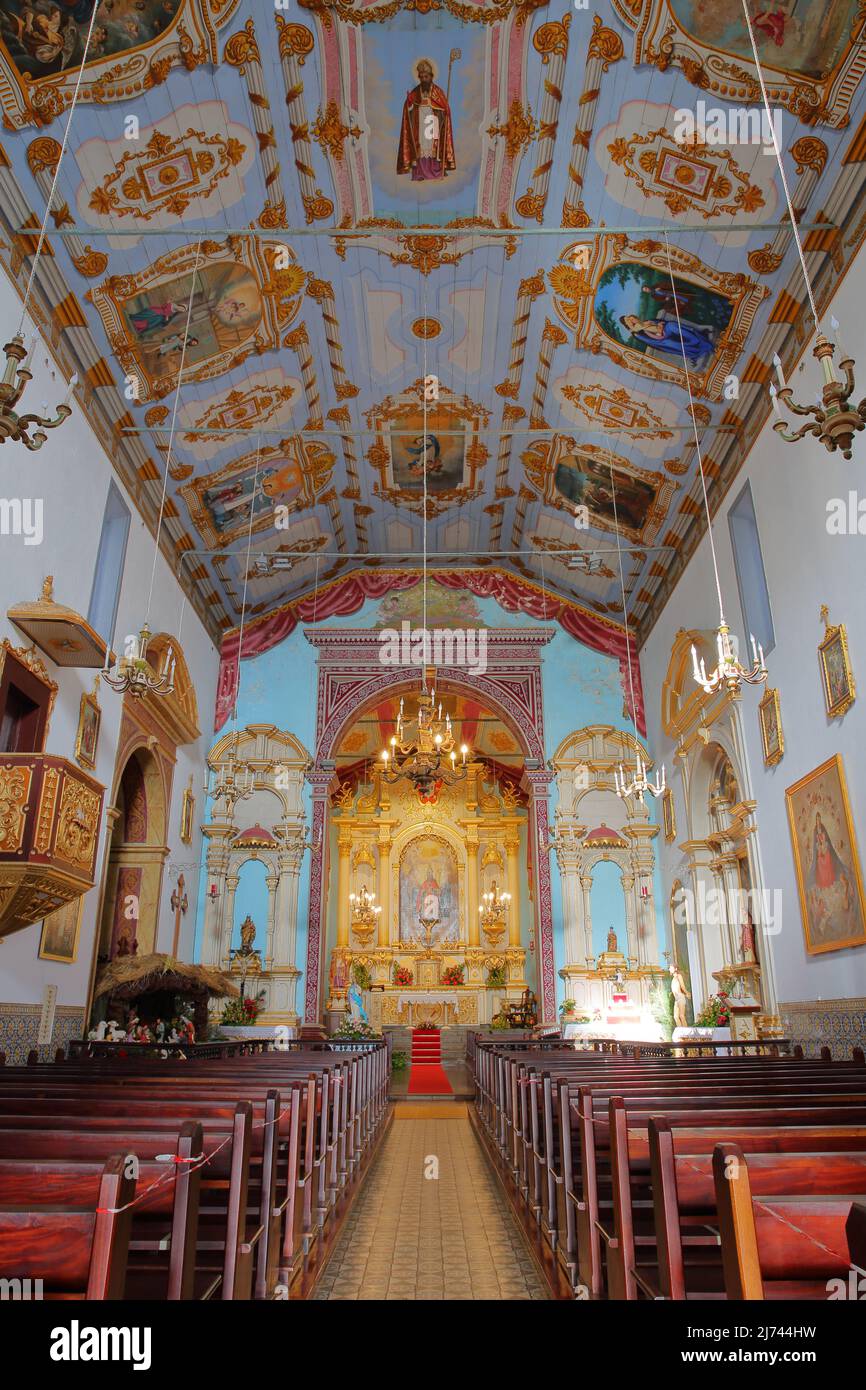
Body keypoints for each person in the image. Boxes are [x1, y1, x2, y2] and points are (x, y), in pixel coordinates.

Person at [397, 59, 455, 182]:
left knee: (432, 146)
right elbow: (408, 108)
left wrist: (443, 109)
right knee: (421, 145)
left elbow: (445, 108)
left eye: (426, 76)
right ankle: (419, 173)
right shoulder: (416, 92)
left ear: (431, 76)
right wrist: (409, 104)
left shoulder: (438, 92)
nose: (424, 79)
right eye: (421, 77)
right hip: (420, 124)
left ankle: (435, 171)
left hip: (433, 122)